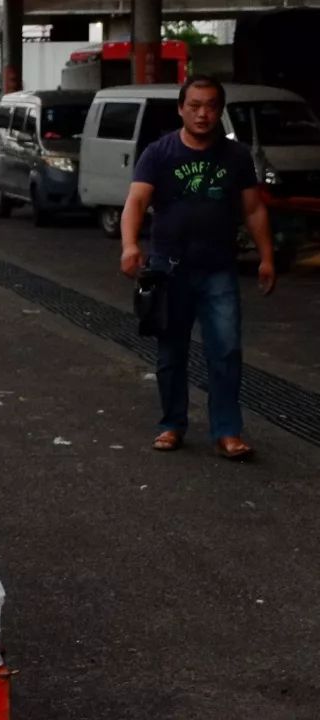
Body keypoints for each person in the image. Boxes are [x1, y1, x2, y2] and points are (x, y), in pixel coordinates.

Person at [120, 75, 276, 460]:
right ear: (180, 108)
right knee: (171, 352)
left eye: (210, 106)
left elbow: (253, 209)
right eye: (194, 105)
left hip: (219, 269)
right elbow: (136, 202)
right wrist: (129, 245)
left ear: (220, 111)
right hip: (168, 269)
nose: (202, 113)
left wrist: (267, 257)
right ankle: (172, 425)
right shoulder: (159, 153)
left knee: (225, 350)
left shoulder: (236, 157)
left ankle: (227, 432)